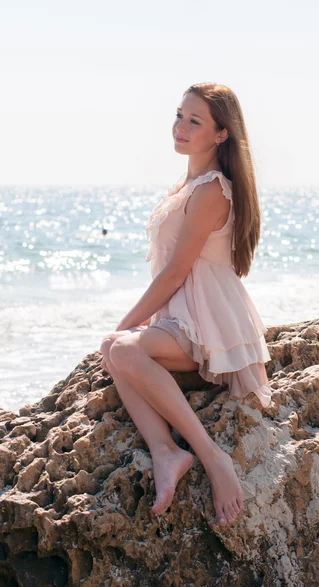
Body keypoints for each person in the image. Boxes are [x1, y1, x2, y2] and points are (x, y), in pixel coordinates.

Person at [100, 82, 273, 527]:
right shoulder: (188, 183)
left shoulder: (212, 190)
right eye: (179, 115)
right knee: (115, 349)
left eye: (194, 121)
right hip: (182, 318)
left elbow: (175, 273)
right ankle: (166, 452)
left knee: (118, 347)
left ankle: (213, 458)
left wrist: (125, 324)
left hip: (208, 325)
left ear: (220, 134)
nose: (180, 127)